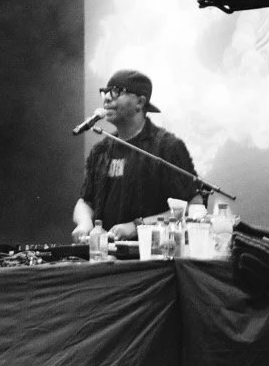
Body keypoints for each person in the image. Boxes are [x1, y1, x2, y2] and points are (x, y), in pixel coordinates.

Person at [72, 69, 198, 241]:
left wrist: (137, 226)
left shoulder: (167, 147)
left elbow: (193, 206)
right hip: (104, 252)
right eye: (105, 92)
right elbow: (85, 201)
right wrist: (85, 223)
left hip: (152, 253)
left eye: (116, 91)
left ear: (140, 102)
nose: (106, 98)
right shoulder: (100, 150)